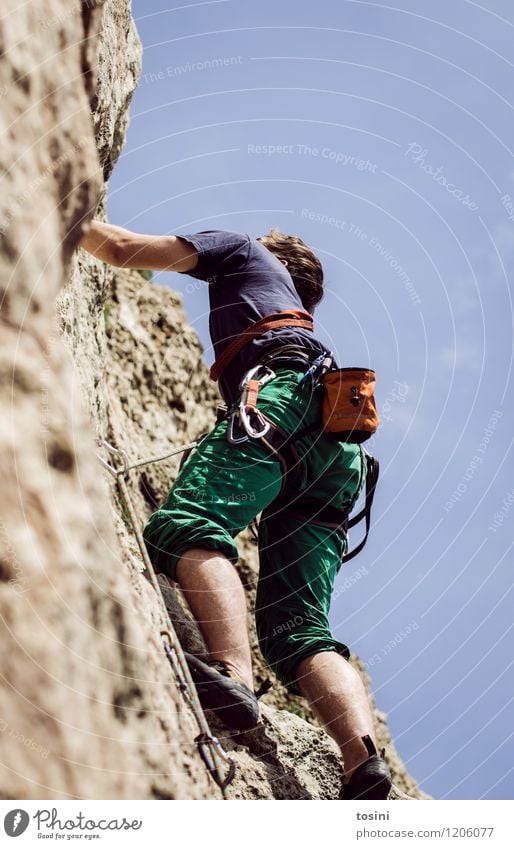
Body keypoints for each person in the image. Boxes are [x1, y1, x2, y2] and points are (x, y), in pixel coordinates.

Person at [80, 220, 392, 800]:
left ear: (270, 255)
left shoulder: (241, 250)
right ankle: (362, 761)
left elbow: (121, 249)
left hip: (281, 403)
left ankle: (232, 674)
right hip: (339, 453)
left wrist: (58, 195)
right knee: (301, 632)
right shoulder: (300, 322)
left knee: (193, 525)